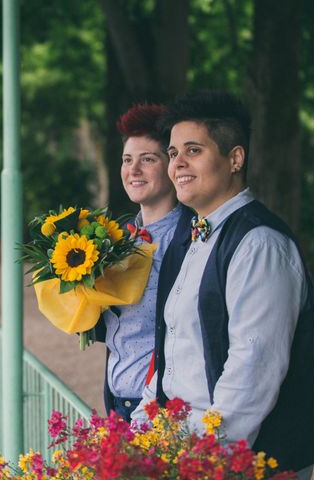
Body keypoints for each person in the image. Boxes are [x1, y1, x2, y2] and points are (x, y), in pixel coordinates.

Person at [131, 91, 314, 478]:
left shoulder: (260, 244)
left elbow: (253, 371)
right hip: (189, 447)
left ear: (235, 158)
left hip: (246, 458)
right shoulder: (191, 238)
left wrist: (206, 460)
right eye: (172, 153)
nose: (178, 164)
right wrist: (139, 430)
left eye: (193, 150)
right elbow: (172, 349)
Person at [96, 103, 193, 421]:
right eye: (127, 160)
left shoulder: (191, 238)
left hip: (163, 403)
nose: (133, 170)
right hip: (116, 395)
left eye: (147, 159)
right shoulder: (117, 236)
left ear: (171, 164)